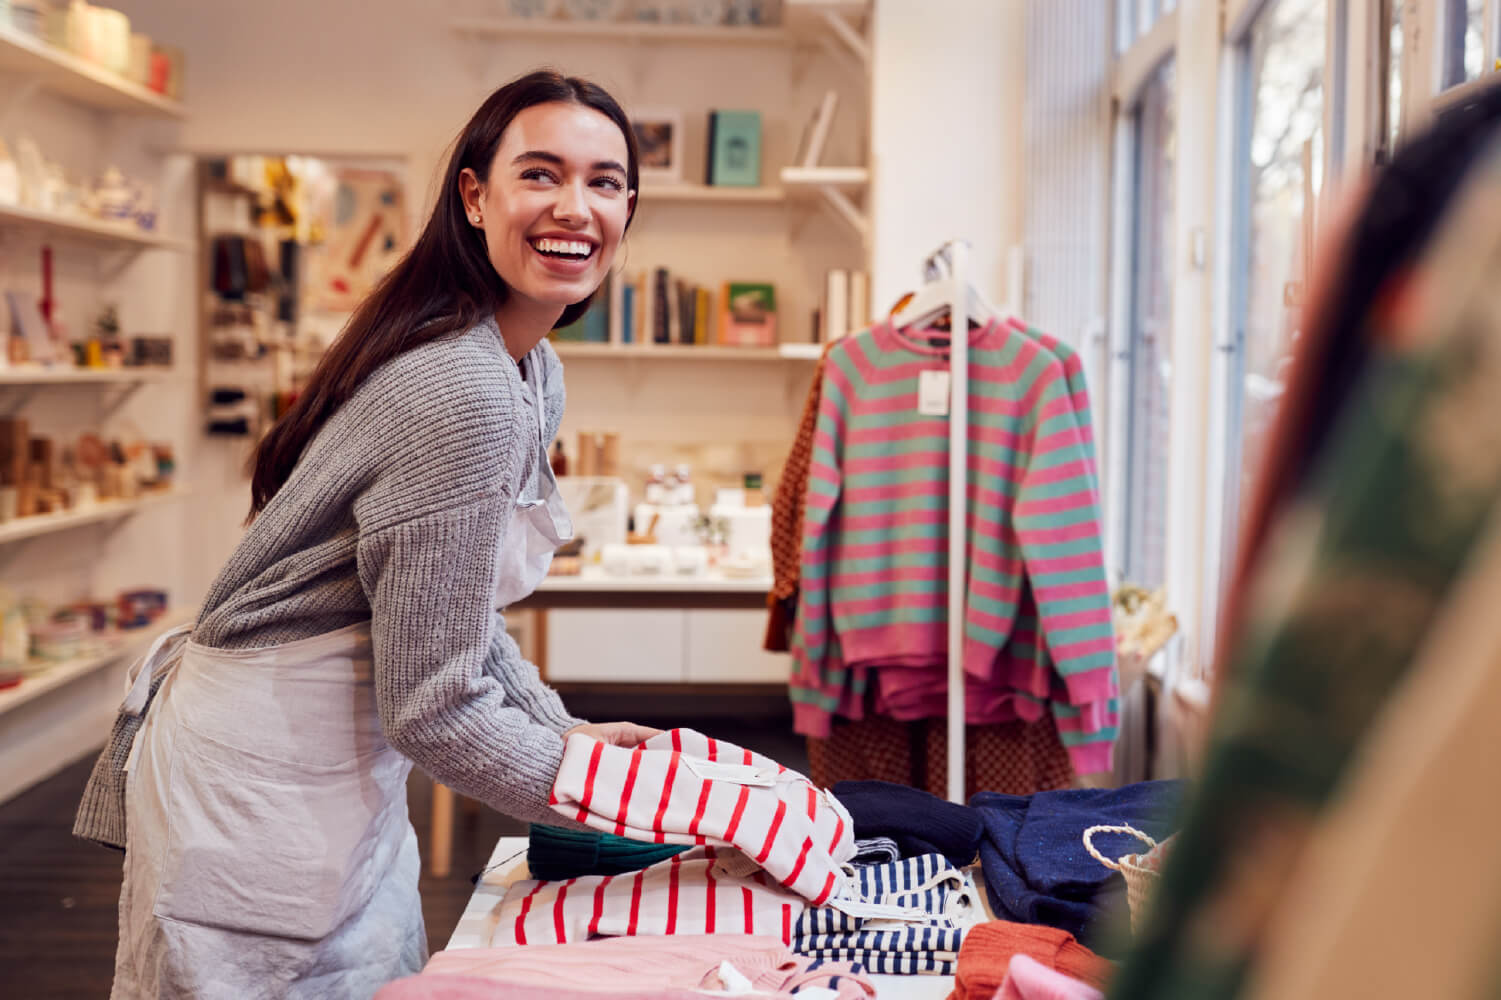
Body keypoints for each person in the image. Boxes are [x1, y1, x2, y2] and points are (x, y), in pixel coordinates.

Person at [74, 70, 661, 998]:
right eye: (540, 174)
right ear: (474, 196)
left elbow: (454, 617)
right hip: (259, 770)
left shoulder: (526, 367)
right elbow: (434, 709)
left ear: (630, 205)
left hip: (338, 760)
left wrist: (566, 736)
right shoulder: (460, 388)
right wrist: (603, 793)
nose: (574, 208)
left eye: (604, 182)